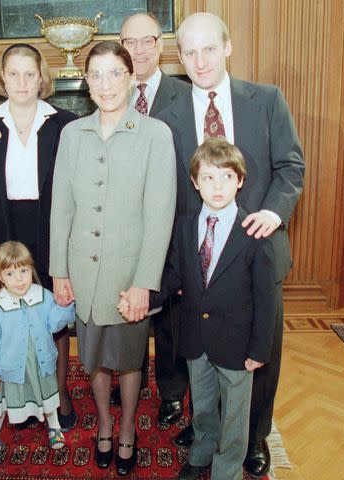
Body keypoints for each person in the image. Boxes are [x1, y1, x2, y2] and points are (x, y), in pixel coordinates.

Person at [156, 12, 305, 476]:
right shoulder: (167, 117)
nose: (200, 61)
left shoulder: (266, 100)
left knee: (257, 355)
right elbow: (165, 193)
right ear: (179, 57)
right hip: (198, 261)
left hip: (256, 252)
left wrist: (275, 212)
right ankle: (207, 432)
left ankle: (254, 437)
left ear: (228, 47)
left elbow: (291, 167)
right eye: (190, 52)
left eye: (209, 48)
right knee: (201, 352)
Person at [49, 41, 176, 476]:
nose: (106, 84)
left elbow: (160, 217)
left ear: (131, 78)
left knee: (128, 358)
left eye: (115, 73)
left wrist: (144, 282)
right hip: (83, 271)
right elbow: (61, 206)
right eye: (97, 75)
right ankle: (103, 422)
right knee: (95, 356)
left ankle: (126, 430)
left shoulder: (156, 135)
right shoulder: (71, 134)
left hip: (128, 275)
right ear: (86, 82)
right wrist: (59, 271)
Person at [120, 138, 277, 480]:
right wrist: (145, 298)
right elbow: (175, 275)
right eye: (207, 178)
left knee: (235, 413)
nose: (217, 186)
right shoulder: (185, 225)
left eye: (225, 177)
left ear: (240, 180)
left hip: (238, 344)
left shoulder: (254, 233)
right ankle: (202, 451)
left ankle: (227, 469)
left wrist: (259, 348)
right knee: (203, 405)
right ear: (194, 182)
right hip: (195, 338)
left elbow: (266, 300)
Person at [0, 43, 79, 431]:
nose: (21, 82)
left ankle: (59, 393)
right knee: (16, 318)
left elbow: (74, 188)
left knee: (52, 316)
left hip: (51, 228)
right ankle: (24, 396)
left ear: (41, 78)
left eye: (29, 74)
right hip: (6, 233)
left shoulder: (64, 123)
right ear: (1, 79)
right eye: (13, 74)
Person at [111, 12, 191, 414]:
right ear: (120, 47)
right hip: (125, 227)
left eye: (147, 40)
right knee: (129, 305)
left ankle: (173, 392)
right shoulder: (110, 92)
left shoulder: (186, 95)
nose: (139, 50)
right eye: (130, 42)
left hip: (173, 225)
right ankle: (131, 376)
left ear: (161, 45)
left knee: (171, 317)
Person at [0, 241, 75, 466]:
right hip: (10, 370)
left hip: (40, 364)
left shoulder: (43, 295)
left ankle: (54, 427)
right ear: (0, 276)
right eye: (10, 273)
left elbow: (55, 323)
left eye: (23, 271)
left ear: (31, 270)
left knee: (48, 398)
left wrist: (66, 306)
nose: (19, 279)